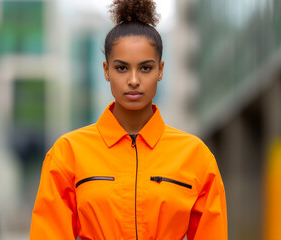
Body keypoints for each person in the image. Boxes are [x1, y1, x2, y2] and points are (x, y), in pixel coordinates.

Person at [30, 0, 227, 239]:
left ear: (161, 70)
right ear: (106, 70)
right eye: (122, 68)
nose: (133, 80)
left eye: (145, 68)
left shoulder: (196, 157)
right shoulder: (67, 154)